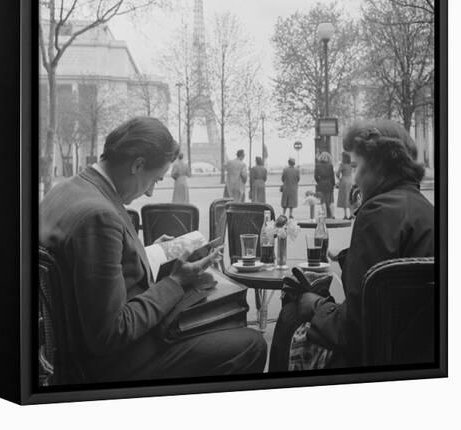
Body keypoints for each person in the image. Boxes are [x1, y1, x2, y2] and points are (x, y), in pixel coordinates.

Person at [40, 116, 266, 384]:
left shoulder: (66, 189)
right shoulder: (99, 216)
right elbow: (111, 333)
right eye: (155, 180)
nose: (149, 193)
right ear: (137, 165)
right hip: (112, 363)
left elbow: (91, 272)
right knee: (251, 342)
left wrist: (152, 251)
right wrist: (176, 282)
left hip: (70, 349)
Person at [269, 120, 434, 370]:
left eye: (357, 166)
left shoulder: (376, 212)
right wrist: (348, 258)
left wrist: (313, 303)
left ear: (379, 165)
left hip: (370, 356)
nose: (354, 177)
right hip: (418, 352)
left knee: (291, 312)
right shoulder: (425, 208)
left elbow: (354, 329)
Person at [314, 151, 335, 218]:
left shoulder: (317, 165)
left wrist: (319, 181)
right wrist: (333, 184)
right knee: (330, 200)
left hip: (321, 183)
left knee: (322, 200)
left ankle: (325, 214)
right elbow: (332, 176)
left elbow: (315, 176)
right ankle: (333, 215)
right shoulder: (330, 165)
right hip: (329, 183)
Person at [336, 151, 354, 219]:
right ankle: (351, 213)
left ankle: (345, 215)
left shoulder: (342, 165)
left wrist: (339, 178)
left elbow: (337, 174)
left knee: (344, 197)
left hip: (344, 181)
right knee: (351, 197)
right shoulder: (351, 164)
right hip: (350, 180)